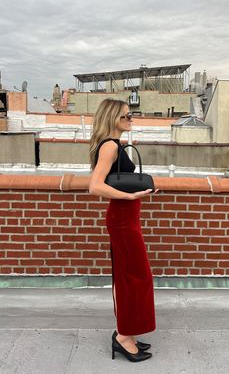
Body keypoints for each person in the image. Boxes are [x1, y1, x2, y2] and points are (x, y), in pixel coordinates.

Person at [89, 98, 157, 363]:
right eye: (126, 117)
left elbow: (108, 180)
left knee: (129, 276)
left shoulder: (115, 145)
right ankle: (123, 337)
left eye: (131, 116)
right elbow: (94, 186)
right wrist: (129, 198)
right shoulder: (109, 146)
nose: (131, 120)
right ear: (113, 118)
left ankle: (126, 332)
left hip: (126, 219)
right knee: (136, 276)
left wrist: (137, 190)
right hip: (122, 219)